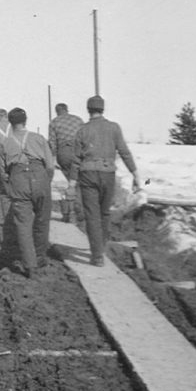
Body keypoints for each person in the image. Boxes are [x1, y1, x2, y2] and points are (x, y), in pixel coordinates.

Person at [68, 95, 141, 266]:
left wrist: (71, 183)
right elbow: (125, 152)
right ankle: (102, 247)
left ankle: (97, 256)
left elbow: (76, 160)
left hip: (88, 175)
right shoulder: (114, 128)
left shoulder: (82, 130)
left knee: (92, 216)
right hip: (108, 174)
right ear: (102, 109)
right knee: (105, 213)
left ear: (88, 110)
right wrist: (136, 175)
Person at [0, 107, 54, 279]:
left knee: (23, 225)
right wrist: (45, 182)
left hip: (18, 180)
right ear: (26, 120)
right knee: (42, 220)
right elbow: (50, 166)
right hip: (40, 178)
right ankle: (40, 257)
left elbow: (2, 172)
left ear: (10, 123)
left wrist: (10, 188)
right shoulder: (38, 138)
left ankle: (30, 267)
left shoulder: (5, 143)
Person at [48, 102, 84, 222]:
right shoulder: (78, 120)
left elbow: (52, 143)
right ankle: (80, 210)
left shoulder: (54, 122)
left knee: (67, 183)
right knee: (79, 181)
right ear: (67, 109)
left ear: (57, 111)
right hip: (79, 151)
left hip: (64, 153)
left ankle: (68, 213)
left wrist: (53, 160)